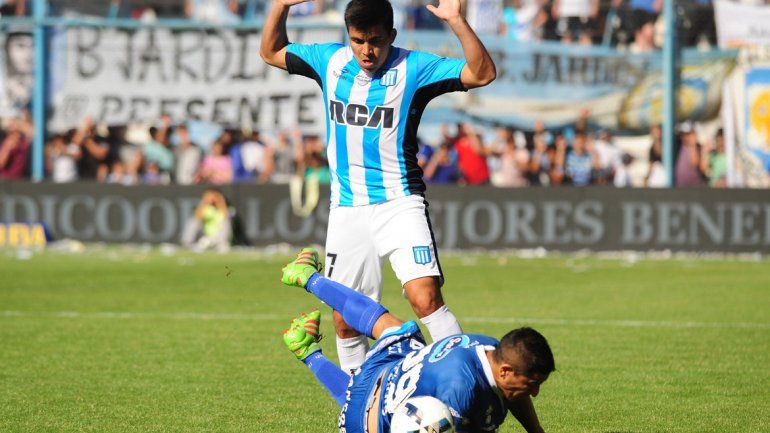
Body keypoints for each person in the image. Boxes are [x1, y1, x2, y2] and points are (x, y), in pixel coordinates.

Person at [260, 0, 496, 373]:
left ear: (392, 36)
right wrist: (280, 6)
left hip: (400, 202)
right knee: (346, 319)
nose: (366, 51)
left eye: (375, 41)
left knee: (425, 298)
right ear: (347, 36)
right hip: (348, 208)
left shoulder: (414, 67)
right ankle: (360, 410)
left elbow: (481, 74)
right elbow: (271, 51)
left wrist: (456, 22)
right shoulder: (330, 61)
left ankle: (464, 383)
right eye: (357, 41)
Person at [279, 248, 555, 433]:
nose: (534, 393)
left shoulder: (490, 348)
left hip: (390, 370)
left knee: (398, 328)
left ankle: (308, 290)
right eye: (532, 385)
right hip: (365, 423)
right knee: (366, 404)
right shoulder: (460, 392)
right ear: (505, 371)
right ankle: (308, 345)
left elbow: (514, 395)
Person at [180, 188, 232, 253]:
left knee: (225, 222)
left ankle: (218, 243)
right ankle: (187, 243)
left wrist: (220, 200)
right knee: (194, 221)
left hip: (219, 238)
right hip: (206, 235)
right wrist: (205, 201)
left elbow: (225, 216)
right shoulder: (206, 207)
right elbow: (197, 217)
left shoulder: (224, 207)